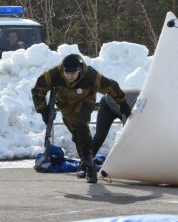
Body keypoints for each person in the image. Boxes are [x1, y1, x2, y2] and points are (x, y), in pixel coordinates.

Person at [31, 54, 132, 184]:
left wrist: (122, 103)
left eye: (73, 73)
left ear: (80, 69)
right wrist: (43, 110)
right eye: (67, 73)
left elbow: (111, 86)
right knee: (78, 136)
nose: (69, 76)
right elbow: (38, 89)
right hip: (66, 106)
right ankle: (88, 164)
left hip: (85, 101)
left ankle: (88, 163)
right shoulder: (54, 74)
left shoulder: (90, 75)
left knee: (80, 122)